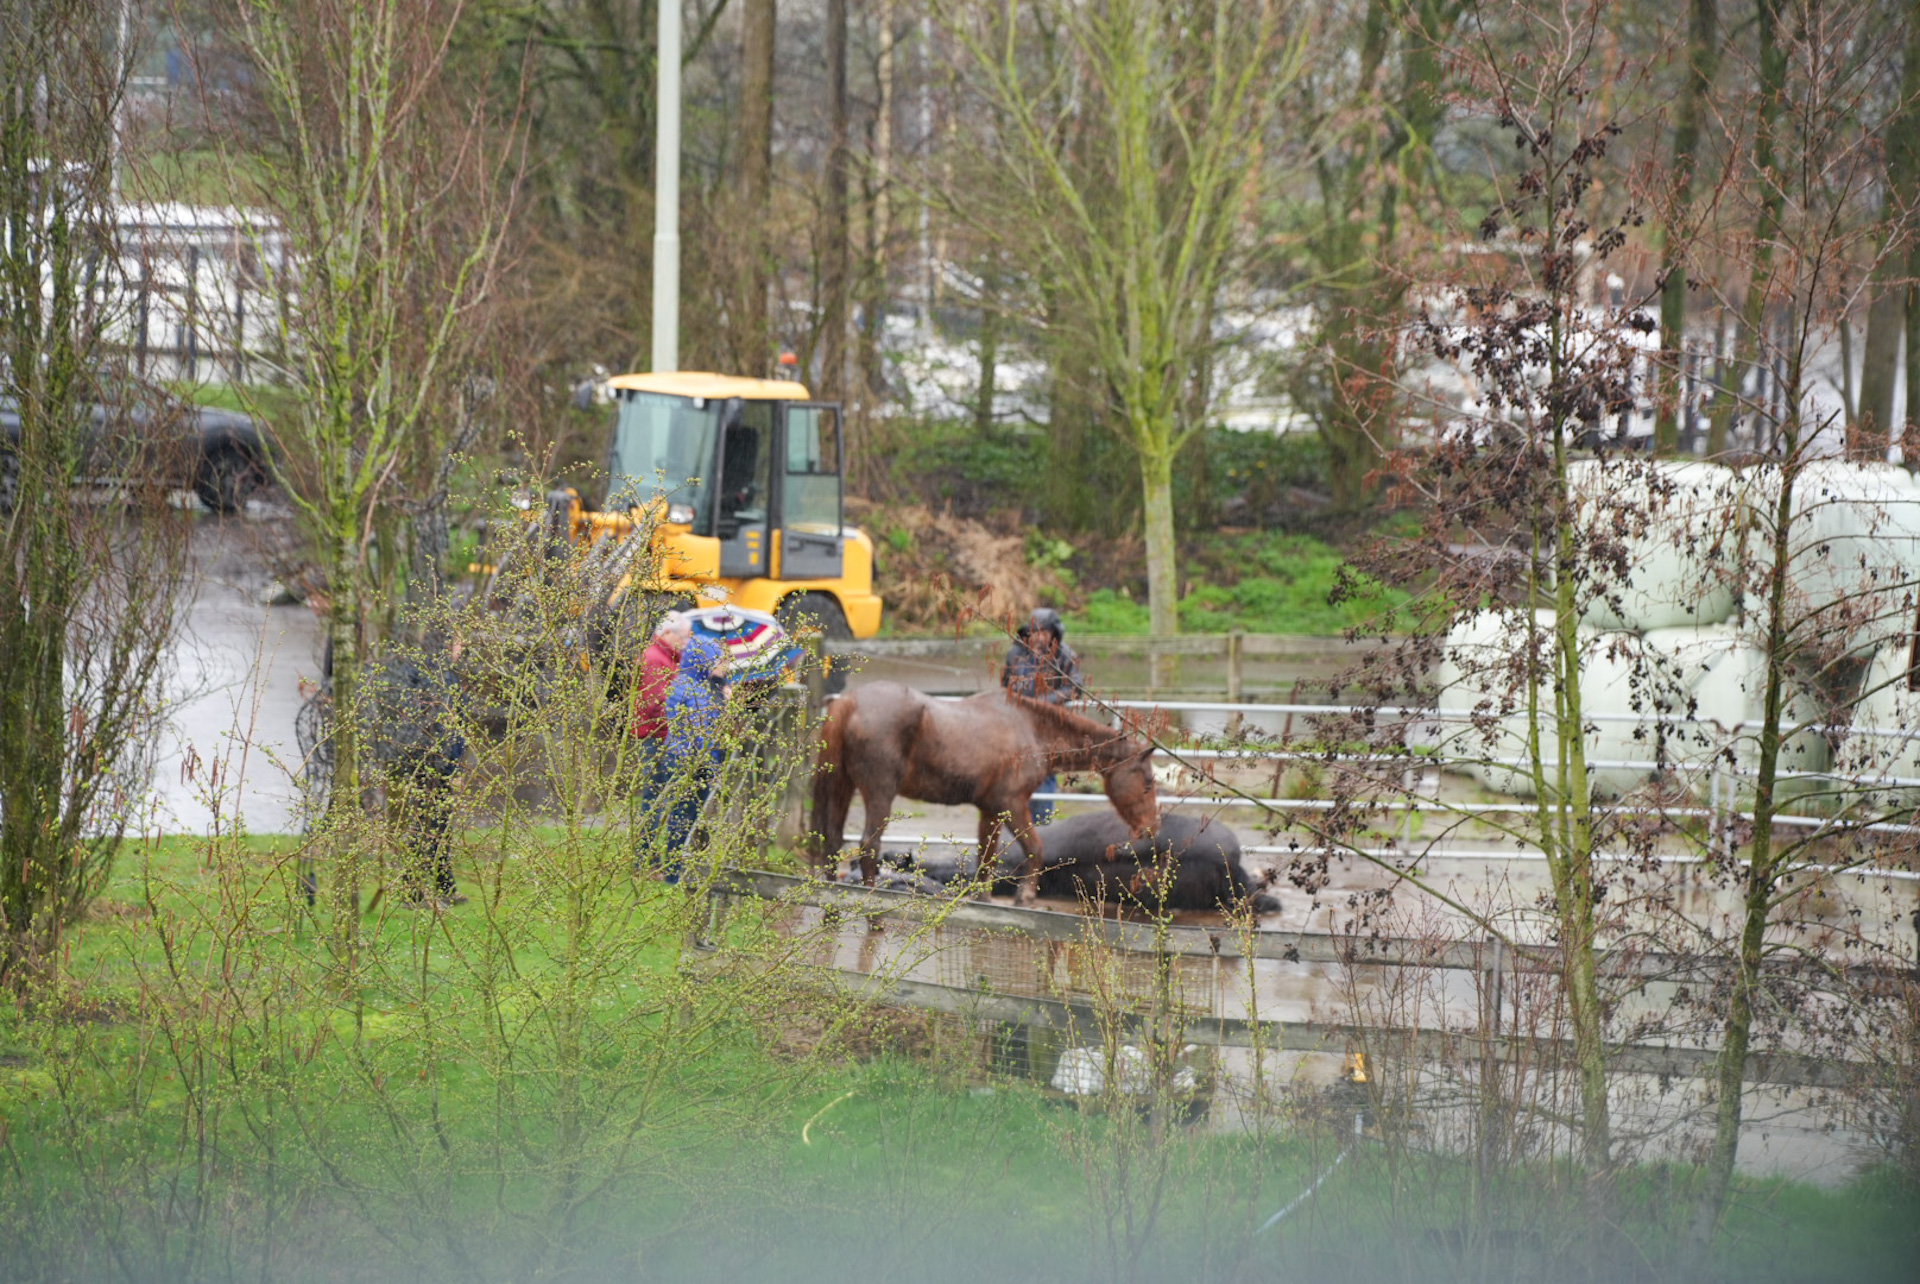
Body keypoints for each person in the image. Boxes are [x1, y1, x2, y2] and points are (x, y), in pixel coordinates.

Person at [382, 631, 469, 908]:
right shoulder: (434, 676)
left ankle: (444, 886)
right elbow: (443, 725)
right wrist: (448, 766)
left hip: (433, 760)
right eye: (457, 641)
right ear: (444, 643)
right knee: (427, 826)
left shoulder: (436, 672)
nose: (461, 646)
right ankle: (412, 892)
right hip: (430, 762)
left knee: (439, 826)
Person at [654, 632, 732, 882]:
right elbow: (704, 733)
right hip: (692, 761)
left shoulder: (685, 681)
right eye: (719, 661)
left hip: (676, 755)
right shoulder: (697, 692)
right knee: (686, 815)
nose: (724, 666)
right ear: (704, 661)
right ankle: (676, 873)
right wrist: (714, 766)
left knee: (681, 813)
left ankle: (676, 868)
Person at [1000, 606, 1084, 825]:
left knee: (1045, 772)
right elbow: (1005, 683)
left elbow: (1076, 687)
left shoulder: (1064, 654)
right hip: (1020, 723)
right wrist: (1018, 700)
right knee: (1017, 772)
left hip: (1049, 726)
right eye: (1035, 632)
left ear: (1054, 634)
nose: (1039, 637)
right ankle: (1016, 826)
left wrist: (1045, 704)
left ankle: (1042, 826)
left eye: (1045, 632)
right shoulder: (1015, 654)